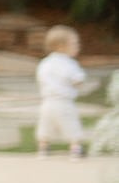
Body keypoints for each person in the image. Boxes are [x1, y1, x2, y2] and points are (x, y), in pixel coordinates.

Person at [38, 24, 91, 157]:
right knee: (71, 125)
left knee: (46, 126)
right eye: (74, 43)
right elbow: (77, 79)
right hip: (64, 102)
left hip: (47, 102)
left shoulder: (45, 63)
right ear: (62, 46)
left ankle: (43, 148)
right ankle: (75, 148)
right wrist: (79, 84)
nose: (78, 46)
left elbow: (41, 78)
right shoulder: (69, 63)